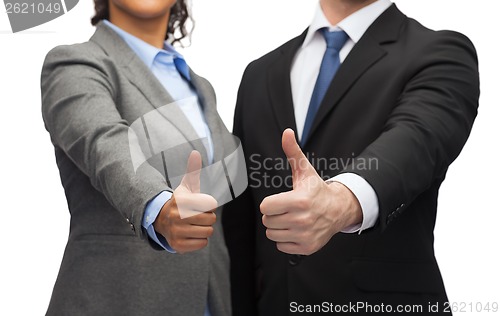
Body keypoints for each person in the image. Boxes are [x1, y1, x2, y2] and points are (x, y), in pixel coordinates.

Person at [222, 0, 479, 315]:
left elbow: (418, 139)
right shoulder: (259, 73)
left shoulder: (440, 53)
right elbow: (241, 223)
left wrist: (341, 201)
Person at [41, 0, 238, 315]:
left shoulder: (200, 86)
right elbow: (104, 142)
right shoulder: (77, 63)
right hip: (117, 300)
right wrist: (159, 207)